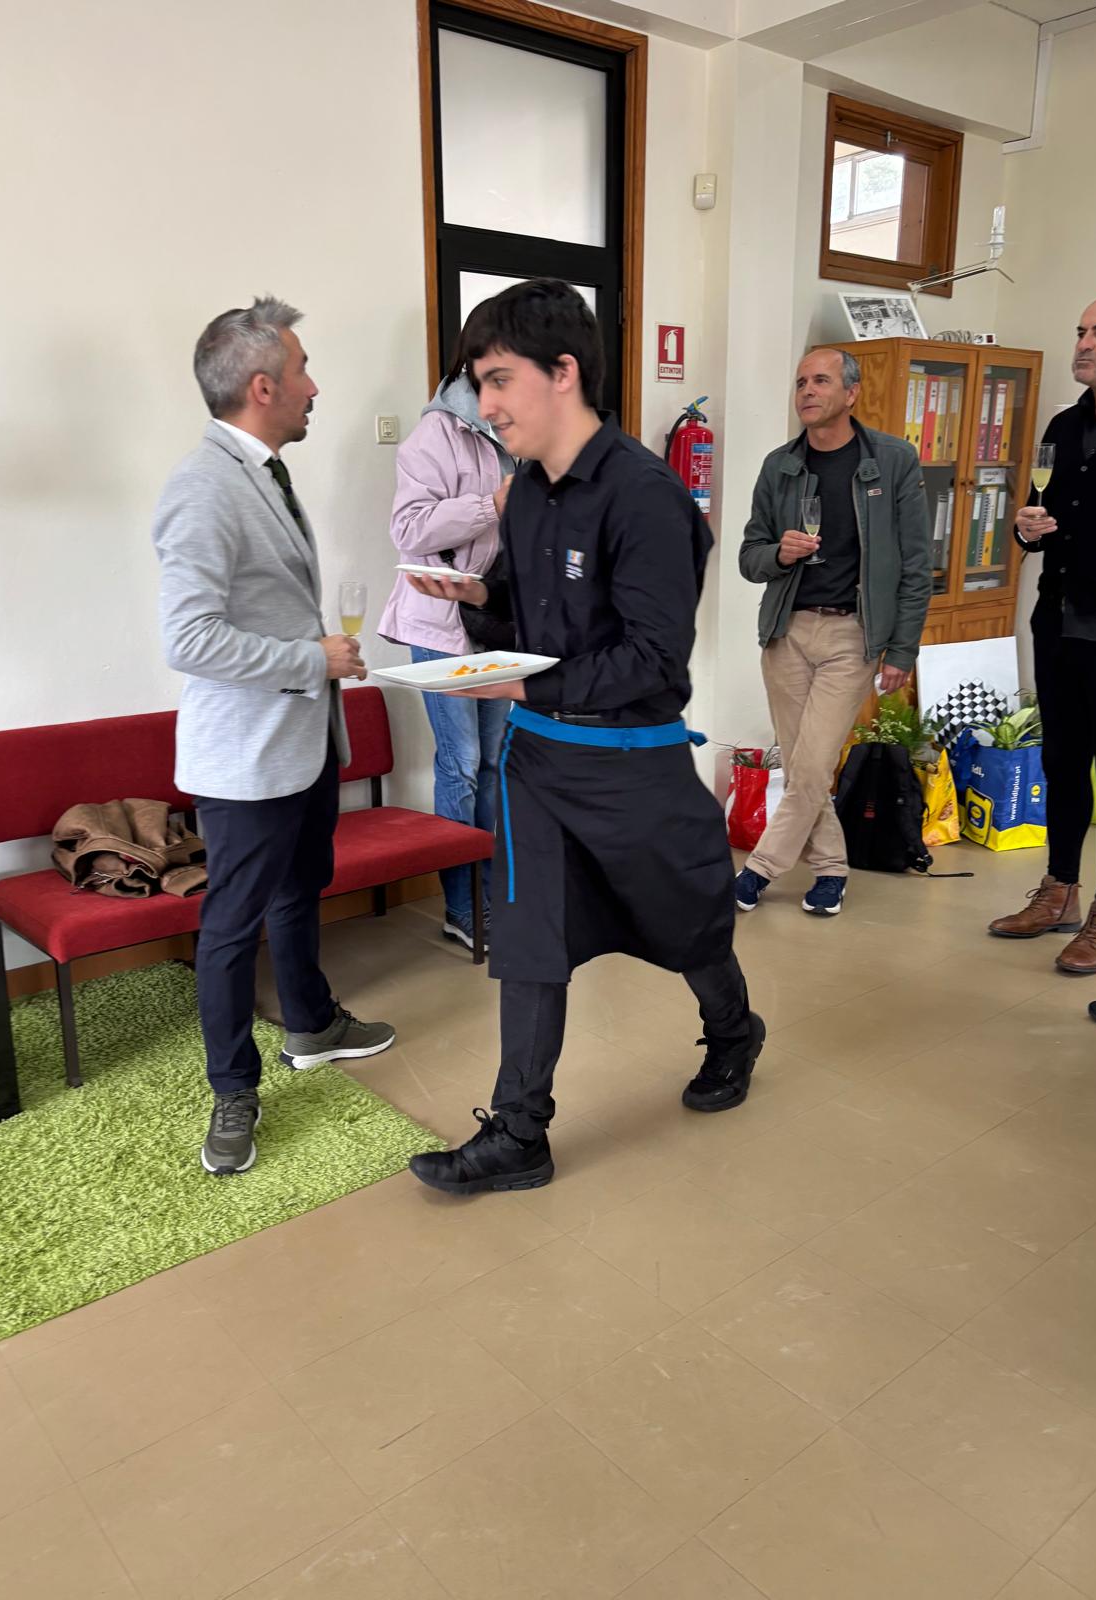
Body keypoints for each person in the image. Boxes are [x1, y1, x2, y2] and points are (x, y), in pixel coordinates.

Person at [402, 279, 763, 1196]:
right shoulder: (524, 492)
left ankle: (734, 1030)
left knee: (684, 920)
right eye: (478, 383)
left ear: (563, 372)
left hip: (631, 761)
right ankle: (519, 1132)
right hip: (538, 762)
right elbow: (529, 615)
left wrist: (528, 680)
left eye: (498, 380)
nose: (485, 404)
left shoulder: (646, 496)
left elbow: (653, 657)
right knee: (529, 941)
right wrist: (480, 599)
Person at [153, 297, 395, 1175]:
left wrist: (316, 661)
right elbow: (189, 639)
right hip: (247, 758)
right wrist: (309, 658)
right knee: (230, 926)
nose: (314, 386)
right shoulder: (203, 486)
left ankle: (313, 1025)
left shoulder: (265, 474)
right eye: (302, 369)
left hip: (302, 743)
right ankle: (233, 1092)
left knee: (300, 891)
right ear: (263, 387)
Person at [736, 348, 931, 916]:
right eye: (801, 382)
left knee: (812, 764)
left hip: (853, 636)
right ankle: (831, 870)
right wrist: (779, 553)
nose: (807, 391)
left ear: (851, 393)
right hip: (787, 633)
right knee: (806, 768)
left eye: (820, 380)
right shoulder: (779, 466)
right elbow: (750, 557)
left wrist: (902, 649)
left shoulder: (893, 461)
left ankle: (758, 870)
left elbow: (916, 565)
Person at [989, 291, 1096, 990]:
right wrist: (1027, 529)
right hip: (1060, 620)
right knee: (1063, 761)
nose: (1084, 343)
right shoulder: (1064, 426)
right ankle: (1059, 890)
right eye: (1080, 331)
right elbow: (1042, 515)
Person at [378, 310, 515, 951]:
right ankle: (463, 907)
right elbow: (409, 529)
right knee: (461, 764)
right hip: (440, 624)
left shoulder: (517, 427)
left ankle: (491, 897)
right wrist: (491, 505)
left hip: (499, 617)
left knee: (493, 763)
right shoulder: (435, 433)